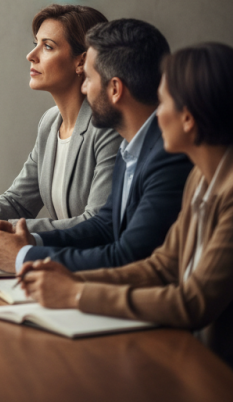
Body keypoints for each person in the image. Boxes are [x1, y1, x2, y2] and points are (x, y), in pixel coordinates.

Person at [20, 43, 233, 367]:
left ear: (188, 118)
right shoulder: (200, 180)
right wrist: (69, 280)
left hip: (215, 370)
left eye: (163, 102)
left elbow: (193, 301)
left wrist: (76, 295)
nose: (156, 113)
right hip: (189, 355)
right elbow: (161, 266)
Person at [0, 18, 193, 272]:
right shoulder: (133, 147)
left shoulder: (167, 156)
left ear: (115, 89)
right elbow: (105, 225)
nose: (83, 87)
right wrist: (32, 240)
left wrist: (24, 257)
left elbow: (129, 255)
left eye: (89, 79)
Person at [0, 4, 121, 242]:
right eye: (35, 43)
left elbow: (96, 221)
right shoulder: (49, 123)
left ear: (82, 62)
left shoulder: (109, 128)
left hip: (87, 266)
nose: (31, 55)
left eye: (47, 46)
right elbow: (18, 201)